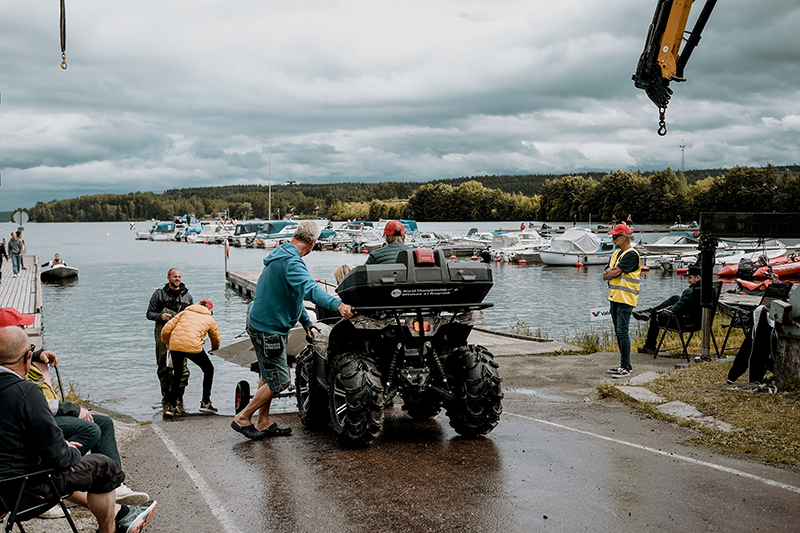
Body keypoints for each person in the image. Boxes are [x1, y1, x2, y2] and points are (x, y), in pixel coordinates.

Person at [0, 326, 158, 533]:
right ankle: (112, 528)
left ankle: (121, 512)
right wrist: (68, 449)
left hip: (8, 487)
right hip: (20, 494)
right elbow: (59, 459)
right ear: (28, 357)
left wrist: (57, 446)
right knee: (103, 467)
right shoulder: (26, 392)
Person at [231, 220, 355, 440]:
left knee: (267, 375)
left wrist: (306, 323)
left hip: (261, 323)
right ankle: (243, 417)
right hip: (268, 329)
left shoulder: (282, 253)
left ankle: (263, 421)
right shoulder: (292, 262)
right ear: (314, 242)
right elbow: (309, 289)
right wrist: (338, 305)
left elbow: (293, 296)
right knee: (281, 381)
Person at [160, 299, 220, 416]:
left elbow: (166, 330)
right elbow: (215, 338)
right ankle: (205, 403)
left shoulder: (184, 313)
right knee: (208, 369)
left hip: (175, 345)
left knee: (178, 373)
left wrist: (167, 343)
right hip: (193, 346)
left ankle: (172, 407)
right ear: (211, 310)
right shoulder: (209, 319)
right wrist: (214, 349)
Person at [146, 268, 193, 412]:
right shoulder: (159, 294)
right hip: (162, 333)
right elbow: (149, 314)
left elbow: (191, 318)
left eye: (179, 276)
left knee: (182, 368)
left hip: (181, 335)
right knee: (163, 367)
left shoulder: (188, 297)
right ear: (168, 278)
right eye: (174, 277)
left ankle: (178, 397)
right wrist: (160, 316)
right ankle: (166, 397)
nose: (177, 279)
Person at [633, 265, 702, 354]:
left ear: (698, 278)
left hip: (685, 322)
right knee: (675, 298)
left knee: (656, 316)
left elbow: (675, 309)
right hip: (700, 322)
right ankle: (650, 311)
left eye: (690, 278)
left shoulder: (690, 291)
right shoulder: (709, 290)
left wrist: (667, 310)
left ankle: (650, 346)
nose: (688, 280)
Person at [603, 223, 641, 378]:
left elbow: (615, 272)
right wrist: (611, 273)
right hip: (614, 298)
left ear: (624, 236)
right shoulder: (615, 254)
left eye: (615, 236)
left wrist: (612, 272)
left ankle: (626, 366)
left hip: (626, 299)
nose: (613, 240)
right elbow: (605, 274)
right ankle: (623, 364)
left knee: (622, 331)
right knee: (619, 333)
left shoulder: (632, 254)